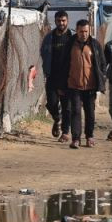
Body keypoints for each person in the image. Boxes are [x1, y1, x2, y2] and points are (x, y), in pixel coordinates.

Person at [66, 19, 105, 149]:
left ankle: (89, 137)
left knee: (90, 112)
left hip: (90, 85)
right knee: (75, 111)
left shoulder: (95, 45)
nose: (83, 34)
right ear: (76, 31)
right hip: (74, 84)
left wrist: (100, 80)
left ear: (90, 31)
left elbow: (102, 64)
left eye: (86, 31)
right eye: (81, 31)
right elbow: (63, 64)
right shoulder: (70, 44)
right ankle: (76, 139)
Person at [39, 10, 74, 141]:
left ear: (67, 21)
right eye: (59, 21)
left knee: (67, 106)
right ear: (55, 21)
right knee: (52, 103)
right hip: (52, 76)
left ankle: (65, 132)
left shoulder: (72, 37)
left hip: (68, 77)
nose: (61, 23)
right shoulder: (49, 37)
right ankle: (57, 119)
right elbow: (43, 53)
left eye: (63, 20)